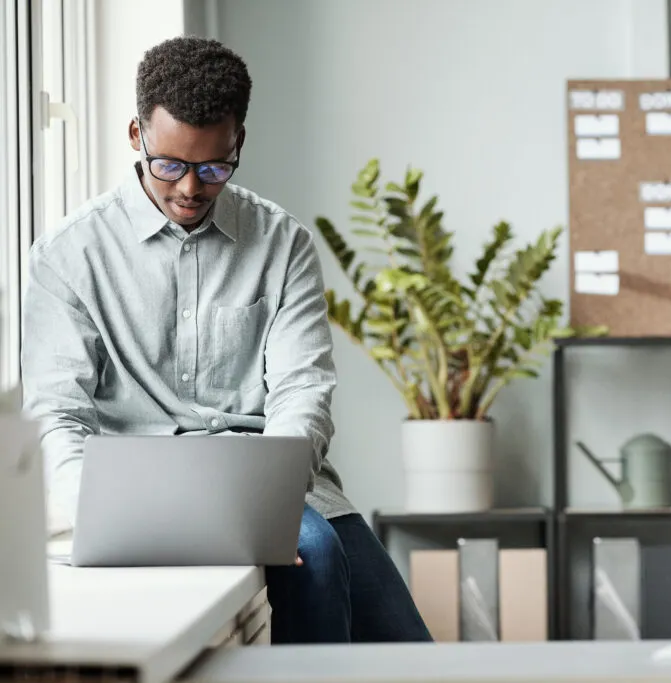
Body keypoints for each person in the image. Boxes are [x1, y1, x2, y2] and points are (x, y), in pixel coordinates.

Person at [20, 34, 432, 645]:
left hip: (269, 480)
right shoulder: (67, 257)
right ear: (137, 136)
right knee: (314, 556)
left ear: (238, 142)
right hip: (134, 493)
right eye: (170, 165)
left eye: (213, 167)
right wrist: (104, 515)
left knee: (415, 657)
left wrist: (265, 504)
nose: (189, 188)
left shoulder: (282, 243)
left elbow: (304, 393)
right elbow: (57, 415)